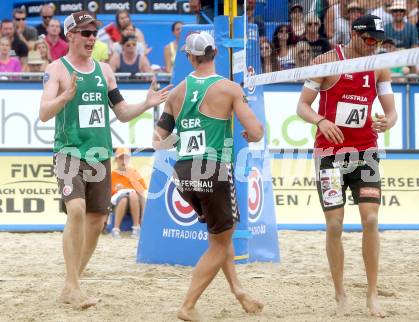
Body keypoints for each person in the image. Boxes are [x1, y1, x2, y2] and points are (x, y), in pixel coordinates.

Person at [39, 11, 171, 310]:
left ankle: (71, 284)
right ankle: (72, 286)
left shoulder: (104, 71)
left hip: (99, 154)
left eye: (93, 33)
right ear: (69, 35)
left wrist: (147, 103)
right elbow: (44, 112)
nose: (90, 38)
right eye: (84, 33)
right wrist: (65, 97)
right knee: (76, 210)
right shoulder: (56, 70)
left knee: (97, 221)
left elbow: (122, 112)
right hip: (69, 151)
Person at [152, 31, 264, 321]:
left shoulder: (176, 92)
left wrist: (185, 136)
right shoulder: (228, 89)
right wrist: (248, 133)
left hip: (184, 173)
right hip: (214, 171)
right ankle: (187, 305)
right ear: (215, 54)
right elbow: (256, 132)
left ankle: (239, 292)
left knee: (219, 237)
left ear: (190, 57)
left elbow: (158, 140)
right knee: (220, 241)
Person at [297, 14, 397, 317]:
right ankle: (340, 293)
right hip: (328, 153)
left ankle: (371, 295)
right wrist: (321, 120)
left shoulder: (378, 65)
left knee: (370, 221)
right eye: (369, 40)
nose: (374, 46)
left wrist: (386, 122)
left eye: (378, 41)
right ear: (353, 34)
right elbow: (302, 106)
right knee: (335, 225)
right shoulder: (327, 62)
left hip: (364, 152)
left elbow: (391, 113)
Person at [110, 147, 147, 239]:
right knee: (124, 199)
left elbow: (142, 194)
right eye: (121, 158)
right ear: (116, 160)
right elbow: (107, 196)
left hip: (135, 203)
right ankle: (116, 229)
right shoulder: (112, 175)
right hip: (118, 204)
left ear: (129, 159)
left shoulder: (134, 173)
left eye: (126, 158)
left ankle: (136, 227)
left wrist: (143, 215)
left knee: (133, 194)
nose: (123, 161)